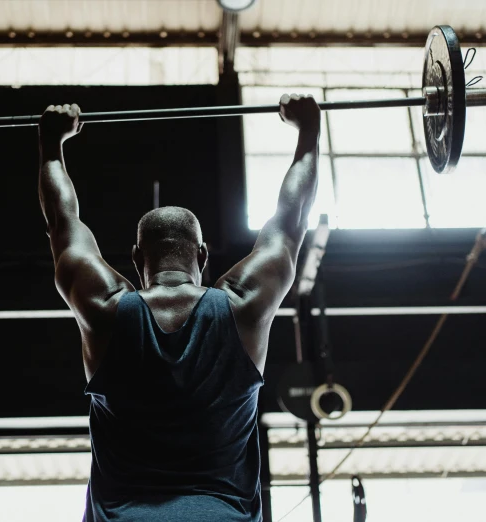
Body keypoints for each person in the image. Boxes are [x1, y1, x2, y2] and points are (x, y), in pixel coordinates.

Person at [38, 94, 321, 522]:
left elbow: (61, 221)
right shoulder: (243, 306)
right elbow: (291, 221)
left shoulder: (103, 307)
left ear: (136, 260)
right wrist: (308, 131)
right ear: (203, 256)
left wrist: (51, 144)